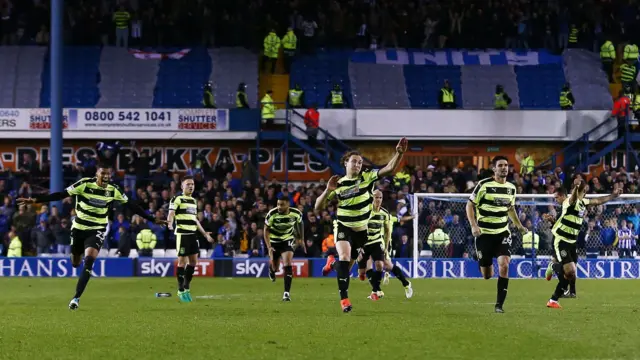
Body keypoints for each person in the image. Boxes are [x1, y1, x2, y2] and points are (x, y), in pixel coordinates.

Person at [17, 163, 163, 310]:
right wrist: (36, 200)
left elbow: (131, 205)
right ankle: (76, 258)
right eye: (103, 174)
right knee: (75, 261)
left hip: (97, 229)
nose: (106, 177)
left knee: (89, 261)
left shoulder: (113, 189)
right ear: (97, 174)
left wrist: (152, 218)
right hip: (79, 228)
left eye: (108, 175)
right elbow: (61, 194)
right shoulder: (85, 184)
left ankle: (76, 298)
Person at [315, 138, 408, 313]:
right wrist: (328, 190)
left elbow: (389, 169)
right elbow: (317, 207)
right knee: (344, 257)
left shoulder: (367, 178)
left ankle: (331, 262)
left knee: (346, 268)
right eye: (354, 161)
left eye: (360, 162)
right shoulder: (338, 184)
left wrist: (399, 153)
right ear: (345, 163)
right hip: (343, 226)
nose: (358, 165)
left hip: (361, 231)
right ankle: (344, 300)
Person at [465, 156, 528, 313]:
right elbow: (469, 205)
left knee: (504, 265)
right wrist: (474, 225)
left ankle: (499, 305)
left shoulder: (511, 188)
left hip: (502, 233)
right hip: (484, 234)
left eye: (506, 165)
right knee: (487, 275)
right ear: (494, 169)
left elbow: (510, 209)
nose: (504, 168)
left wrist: (519, 226)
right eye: (500, 165)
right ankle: (480, 258)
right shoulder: (483, 185)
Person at [544, 180, 621, 309]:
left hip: (572, 242)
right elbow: (573, 197)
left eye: (585, 190)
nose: (585, 192)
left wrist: (613, 195)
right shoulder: (568, 201)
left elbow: (598, 201)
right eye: (583, 190)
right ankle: (553, 298)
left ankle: (559, 287)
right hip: (562, 240)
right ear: (579, 191)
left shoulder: (583, 202)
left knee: (571, 274)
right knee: (570, 271)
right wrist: (575, 187)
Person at [358, 189, 413, 300]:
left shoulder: (385, 214)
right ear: (372, 198)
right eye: (376, 197)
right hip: (364, 244)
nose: (378, 199)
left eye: (380, 197)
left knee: (381, 265)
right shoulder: (364, 211)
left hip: (378, 242)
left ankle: (377, 291)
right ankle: (381, 289)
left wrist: (386, 247)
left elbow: (388, 231)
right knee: (366, 270)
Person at [167, 176, 215, 303]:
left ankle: (187, 286)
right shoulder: (177, 199)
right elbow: (171, 213)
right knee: (182, 262)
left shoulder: (193, 201)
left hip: (192, 234)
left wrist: (205, 234)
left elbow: (195, 220)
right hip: (182, 234)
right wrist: (170, 223)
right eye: (188, 184)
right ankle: (180, 289)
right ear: (182, 186)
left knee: (193, 262)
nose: (191, 186)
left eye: (192, 184)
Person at [264, 195, 304, 301]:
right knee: (276, 268)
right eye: (278, 204)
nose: (279, 207)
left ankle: (286, 293)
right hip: (274, 241)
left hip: (287, 240)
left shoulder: (296, 213)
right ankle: (271, 270)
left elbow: (300, 224)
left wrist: (301, 238)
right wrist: (269, 247)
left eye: (281, 205)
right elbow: (266, 230)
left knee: (287, 264)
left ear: (288, 204)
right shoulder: (272, 214)